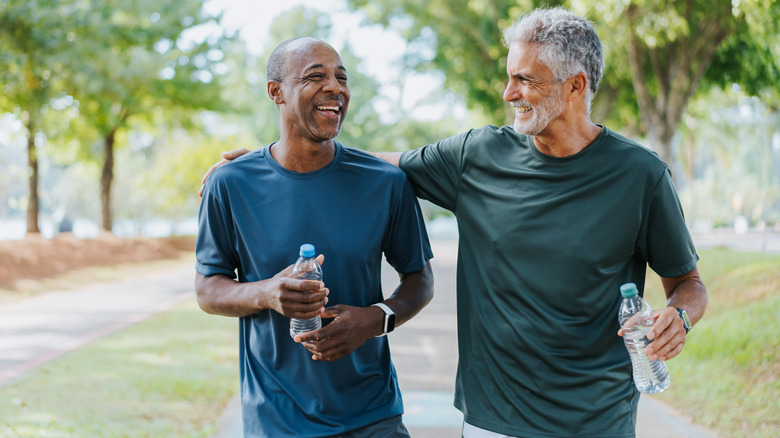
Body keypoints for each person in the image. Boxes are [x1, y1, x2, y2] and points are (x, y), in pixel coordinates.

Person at [202, 7, 708, 438]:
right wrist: (268, 161)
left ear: (575, 86)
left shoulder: (641, 176)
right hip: (493, 420)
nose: (509, 93)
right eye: (509, 76)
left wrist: (678, 316)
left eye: (524, 79)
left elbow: (687, 283)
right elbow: (377, 164)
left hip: (600, 419)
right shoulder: (478, 155)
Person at [195, 37, 434, 438]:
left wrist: (376, 319)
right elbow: (207, 289)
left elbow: (420, 279)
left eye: (342, 78)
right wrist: (267, 293)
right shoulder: (230, 184)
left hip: (373, 417)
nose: (335, 88)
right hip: (276, 420)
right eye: (315, 76)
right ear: (277, 93)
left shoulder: (386, 183)